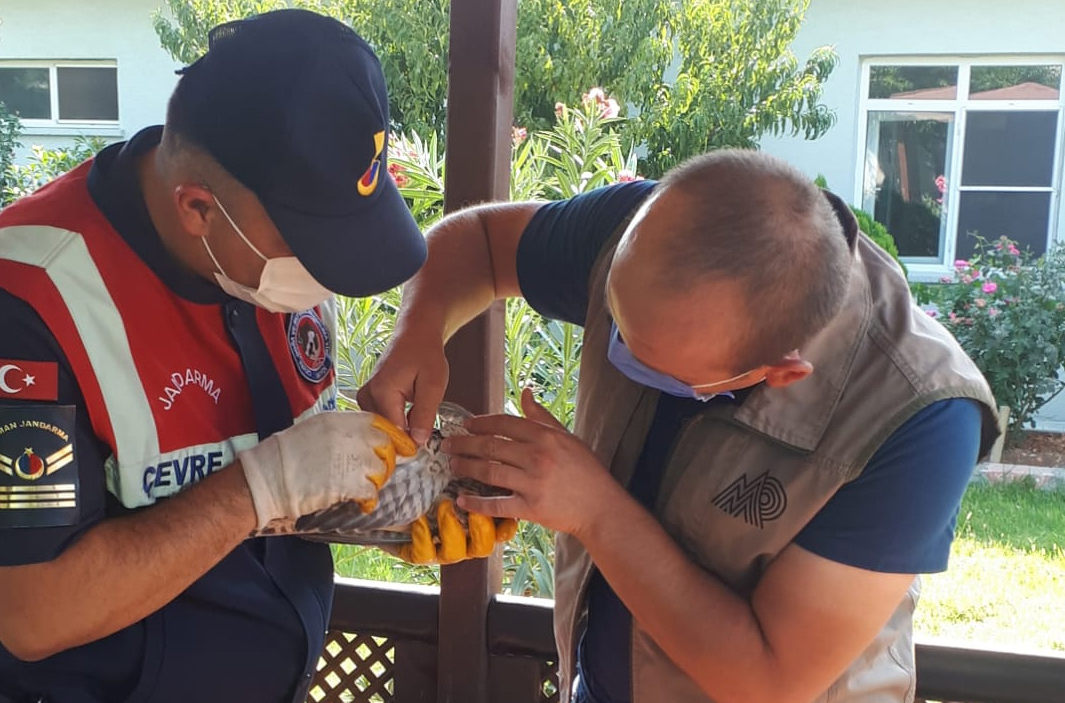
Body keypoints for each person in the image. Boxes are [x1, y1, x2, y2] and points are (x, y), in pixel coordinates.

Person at [0, 10, 489, 703]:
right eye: (313, 244)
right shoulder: (17, 299)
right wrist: (262, 486)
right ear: (197, 209)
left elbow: (276, 495)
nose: (328, 272)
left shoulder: (257, 252)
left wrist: (387, 508)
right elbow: (34, 612)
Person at [359, 149, 1001, 703]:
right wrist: (418, 333)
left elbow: (766, 678)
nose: (618, 357)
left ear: (777, 373)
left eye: (650, 363)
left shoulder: (920, 416)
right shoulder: (653, 227)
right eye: (613, 318)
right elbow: (480, 244)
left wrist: (592, 509)